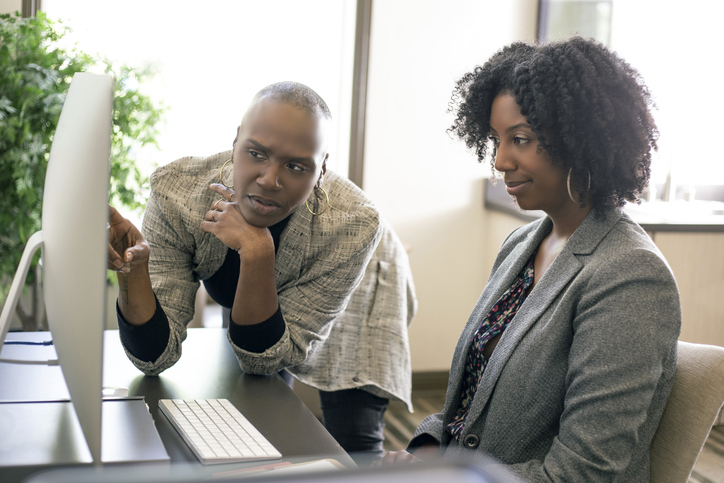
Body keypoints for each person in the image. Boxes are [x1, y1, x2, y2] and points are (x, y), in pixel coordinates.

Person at [378, 37, 681, 482]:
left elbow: (585, 471)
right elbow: (468, 407)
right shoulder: (522, 245)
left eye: (520, 139)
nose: (500, 160)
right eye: (497, 140)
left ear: (581, 142)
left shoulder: (630, 275)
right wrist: (424, 453)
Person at [107, 81, 416, 462]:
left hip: (357, 268)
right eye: (256, 153)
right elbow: (154, 359)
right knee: (259, 396)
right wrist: (133, 273)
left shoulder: (353, 225)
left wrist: (256, 253)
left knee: (353, 432)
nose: (269, 180)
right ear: (236, 143)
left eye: (296, 166)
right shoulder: (177, 194)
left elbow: (269, 354)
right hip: (277, 281)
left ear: (321, 171)